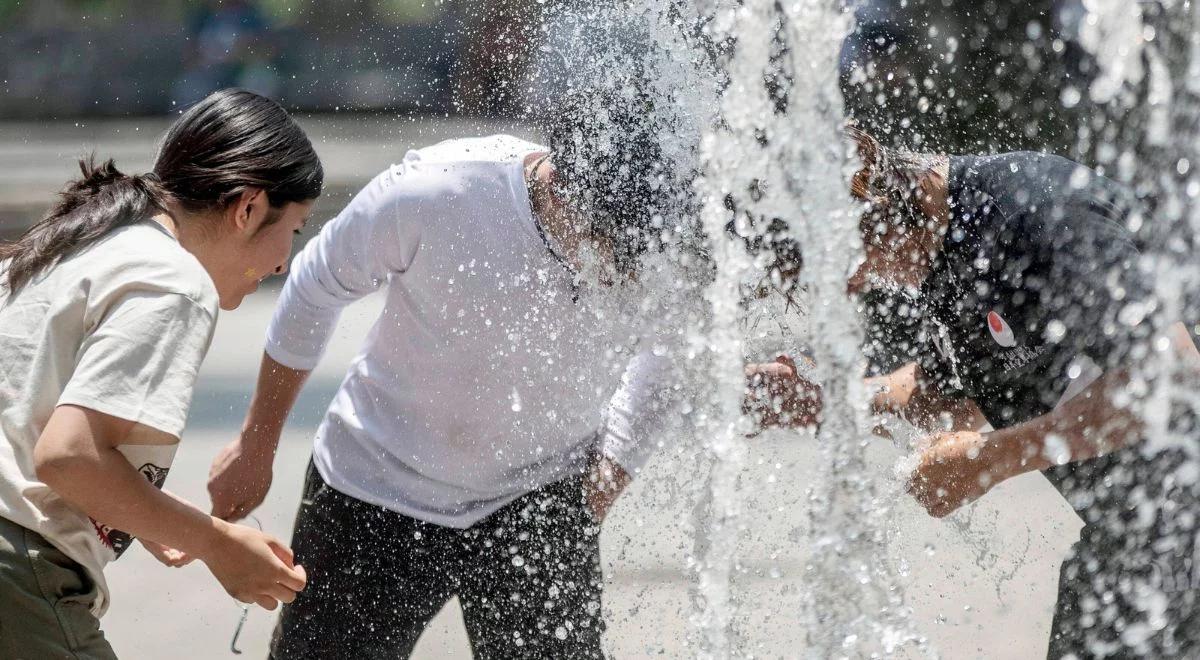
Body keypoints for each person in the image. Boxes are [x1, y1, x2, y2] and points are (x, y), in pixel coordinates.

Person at [205, 81, 688, 658]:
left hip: (539, 496)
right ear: (562, 187)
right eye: (605, 247)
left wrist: (612, 470)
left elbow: (672, 349)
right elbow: (314, 285)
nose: (617, 275)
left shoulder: (664, 230)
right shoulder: (437, 192)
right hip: (375, 483)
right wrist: (257, 444)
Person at [749, 127, 1200, 657]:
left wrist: (992, 458)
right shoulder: (945, 262)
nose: (852, 285)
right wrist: (824, 399)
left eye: (841, 263)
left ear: (868, 185)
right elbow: (942, 398)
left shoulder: (1036, 212)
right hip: (1137, 536)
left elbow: (1169, 377)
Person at [0, 89, 322, 659]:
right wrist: (219, 545)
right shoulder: (174, 282)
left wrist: (149, 520)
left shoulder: (78, 239)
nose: (282, 263)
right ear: (247, 206)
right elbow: (67, 455)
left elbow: (26, 412)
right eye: (293, 230)